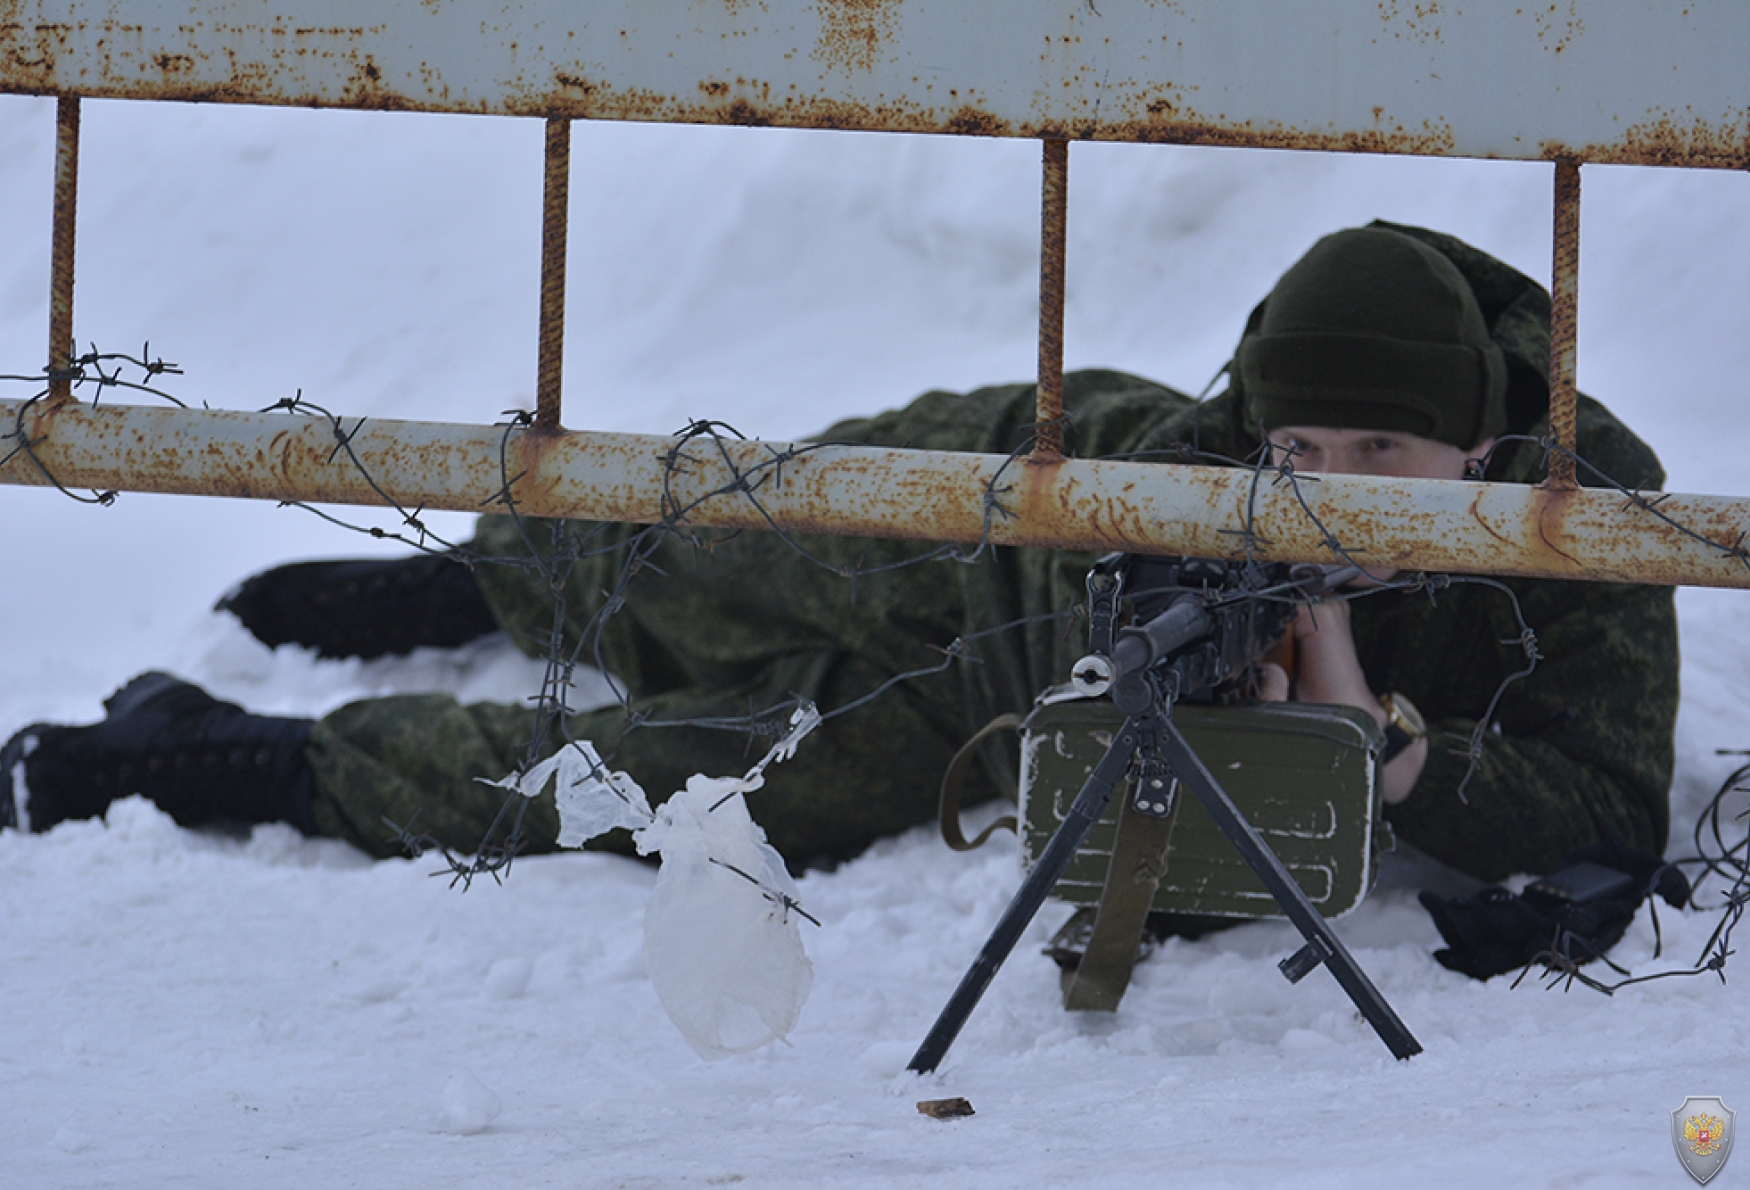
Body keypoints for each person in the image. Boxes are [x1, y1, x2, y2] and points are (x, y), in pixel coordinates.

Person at [0, 222, 1676, 884]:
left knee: (665, 783)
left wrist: (1384, 756)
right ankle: (488, 579)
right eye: (1295, 454)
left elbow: (1606, 797)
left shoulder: (1588, 519)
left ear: (1480, 447)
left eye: (1380, 460)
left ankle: (257, 762)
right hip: (992, 498)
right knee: (685, 538)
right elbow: (1191, 503)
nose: (1327, 495)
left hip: (990, 707)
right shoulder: (1206, 455)